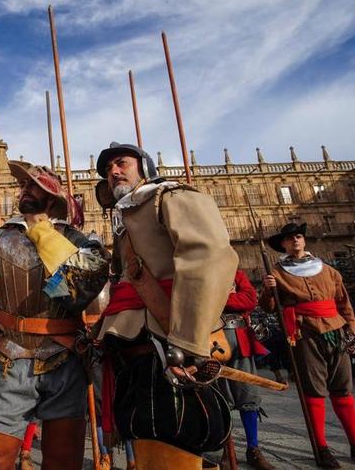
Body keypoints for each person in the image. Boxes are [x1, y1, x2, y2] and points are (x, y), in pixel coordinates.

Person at [94, 142, 237, 469]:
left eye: (121, 163)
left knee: (176, 429)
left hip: (167, 340)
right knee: (149, 432)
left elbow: (208, 255)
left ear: (143, 166)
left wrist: (187, 340)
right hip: (136, 344)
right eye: (107, 169)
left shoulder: (168, 196)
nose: (113, 172)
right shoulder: (127, 216)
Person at [0, 160, 109, 470]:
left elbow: (85, 283)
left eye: (34, 185)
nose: (24, 190)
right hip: (9, 358)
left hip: (66, 358)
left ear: (52, 196)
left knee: (63, 459)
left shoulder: (78, 240)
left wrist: (43, 231)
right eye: (23, 185)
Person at [261, 223, 355, 469]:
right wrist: (267, 291)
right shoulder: (276, 273)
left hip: (336, 332)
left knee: (342, 389)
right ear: (283, 244)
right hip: (305, 334)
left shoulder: (329, 271)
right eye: (290, 238)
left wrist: (351, 331)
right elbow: (268, 307)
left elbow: (344, 304)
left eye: (298, 236)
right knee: (314, 391)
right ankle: (321, 448)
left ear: (304, 240)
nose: (295, 241)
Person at [218, 270, 273, 470]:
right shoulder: (200, 270)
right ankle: (227, 449)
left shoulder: (236, 272)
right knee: (221, 397)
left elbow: (249, 300)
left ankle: (253, 449)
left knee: (248, 394)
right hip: (213, 339)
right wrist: (230, 297)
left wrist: (219, 297)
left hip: (241, 337)